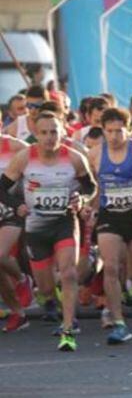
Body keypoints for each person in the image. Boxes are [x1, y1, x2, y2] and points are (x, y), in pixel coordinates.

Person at [0, 111, 96, 351]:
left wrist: (82, 200)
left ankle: (68, 328)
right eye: (43, 132)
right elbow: (2, 188)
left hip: (64, 222)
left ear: (62, 131)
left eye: (54, 132)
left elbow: (90, 186)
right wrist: (17, 205)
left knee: (68, 273)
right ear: (35, 134)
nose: (49, 137)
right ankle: (53, 301)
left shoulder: (74, 158)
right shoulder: (24, 158)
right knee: (45, 288)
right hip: (35, 228)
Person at [89, 108, 132, 345]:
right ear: (103, 131)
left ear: (127, 129)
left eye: (119, 131)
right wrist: (91, 207)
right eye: (110, 131)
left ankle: (130, 287)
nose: (115, 136)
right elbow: (93, 187)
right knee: (111, 267)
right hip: (111, 216)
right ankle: (118, 321)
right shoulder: (95, 154)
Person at [0, 130, 28, 333]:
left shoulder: (16, 147)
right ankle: (17, 312)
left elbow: (36, 173)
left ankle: (21, 279)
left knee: (0, 255)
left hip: (11, 210)